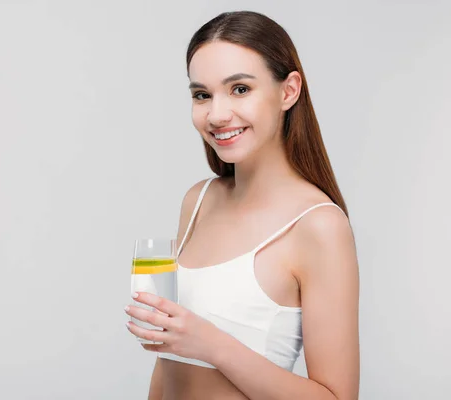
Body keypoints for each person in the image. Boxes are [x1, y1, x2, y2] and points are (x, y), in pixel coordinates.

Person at [124, 10, 359, 400]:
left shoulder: (318, 226)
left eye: (240, 89)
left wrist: (209, 343)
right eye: (202, 95)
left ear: (289, 91)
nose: (216, 115)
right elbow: (167, 364)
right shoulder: (198, 200)